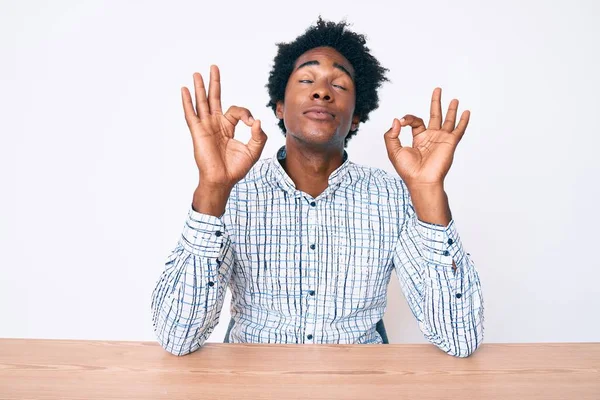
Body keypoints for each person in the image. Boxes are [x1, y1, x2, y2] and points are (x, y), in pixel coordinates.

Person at [151, 17, 484, 357]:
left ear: (356, 116)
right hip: (253, 384)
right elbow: (177, 338)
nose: (322, 91)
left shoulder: (392, 197)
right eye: (307, 79)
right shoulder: (232, 192)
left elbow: (460, 339)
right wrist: (212, 187)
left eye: (338, 85)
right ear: (280, 106)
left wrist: (428, 190)